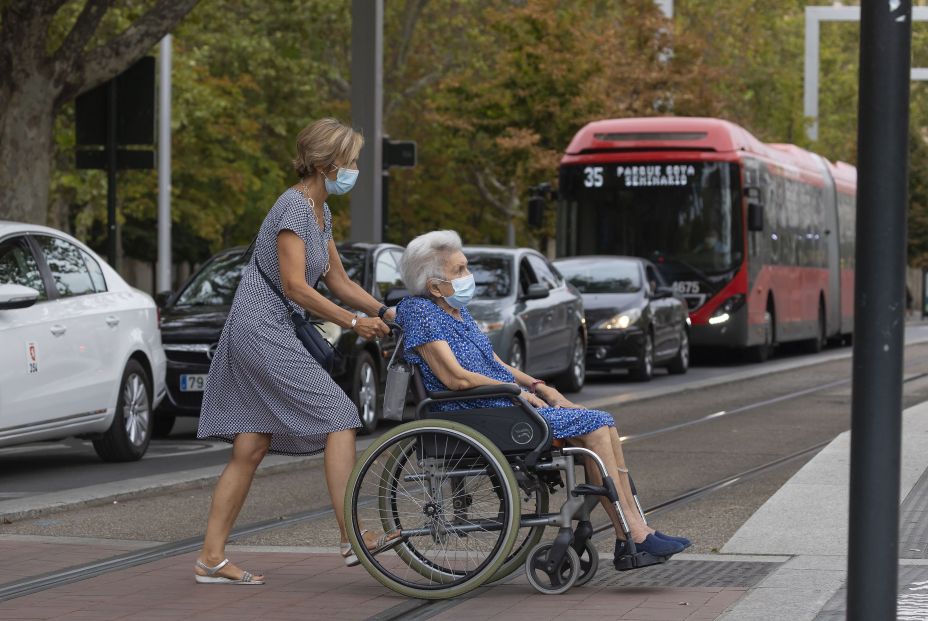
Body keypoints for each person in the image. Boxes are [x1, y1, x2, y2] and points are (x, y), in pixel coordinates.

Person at [395, 230, 691, 566]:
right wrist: (517, 392)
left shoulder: (456, 311)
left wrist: (539, 386)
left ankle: (637, 531)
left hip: (502, 404)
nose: (469, 276)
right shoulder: (420, 311)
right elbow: (456, 377)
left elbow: (494, 362)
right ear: (434, 286)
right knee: (596, 428)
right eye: (460, 270)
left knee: (604, 428)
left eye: (467, 268)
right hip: (478, 411)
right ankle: (632, 536)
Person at [194, 118, 396, 585]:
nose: (354, 170)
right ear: (326, 164)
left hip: (266, 327)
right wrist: (351, 322)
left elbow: (339, 281)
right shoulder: (292, 206)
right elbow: (295, 286)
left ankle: (210, 557)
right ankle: (351, 536)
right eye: (350, 162)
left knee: (251, 444)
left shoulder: (319, 212)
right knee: (340, 417)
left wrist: (387, 311)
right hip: (260, 328)